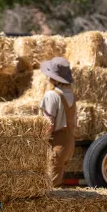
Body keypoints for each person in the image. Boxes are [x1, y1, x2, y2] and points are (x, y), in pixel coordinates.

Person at [40, 57, 77, 187]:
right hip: (69, 143)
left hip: (56, 143)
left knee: (49, 186)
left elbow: (48, 122)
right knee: (58, 182)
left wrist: (40, 141)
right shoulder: (71, 94)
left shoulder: (51, 95)